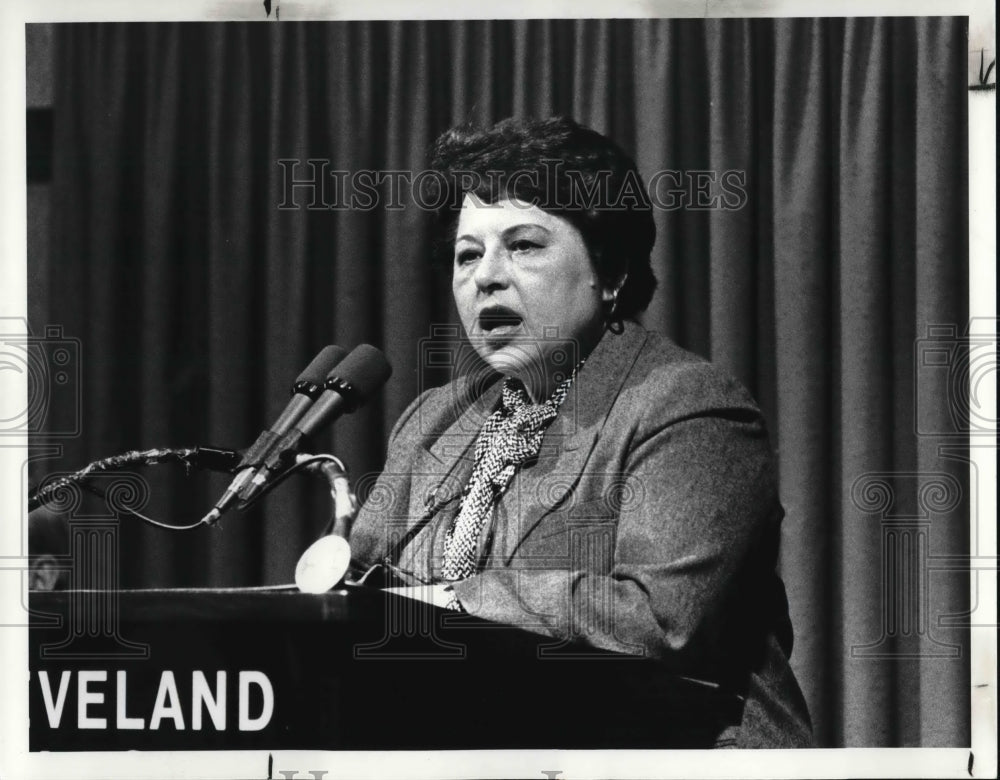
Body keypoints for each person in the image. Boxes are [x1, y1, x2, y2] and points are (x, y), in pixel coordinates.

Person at [346, 116, 813, 748]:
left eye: (525, 245)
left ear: (612, 271)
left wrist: (453, 601)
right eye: (467, 254)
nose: (486, 276)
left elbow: (658, 620)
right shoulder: (436, 419)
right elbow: (362, 592)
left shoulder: (685, 405)